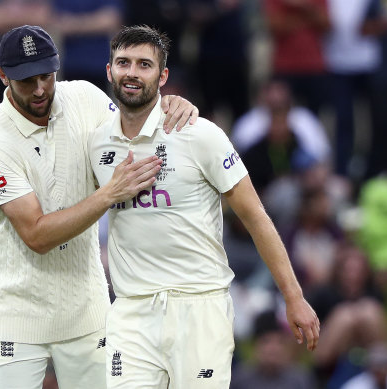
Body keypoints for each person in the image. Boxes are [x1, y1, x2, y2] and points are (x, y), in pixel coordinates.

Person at [0, 25, 198, 389]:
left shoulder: (85, 98)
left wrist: (167, 106)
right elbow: (37, 235)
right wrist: (107, 195)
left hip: (86, 308)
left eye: (46, 75)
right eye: (26, 80)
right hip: (14, 314)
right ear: (2, 76)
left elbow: (131, 138)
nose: (40, 89)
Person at [88, 25, 319, 388]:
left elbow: (256, 217)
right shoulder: (95, 141)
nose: (132, 72)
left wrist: (294, 297)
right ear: (109, 71)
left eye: (144, 65)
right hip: (131, 311)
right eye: (123, 63)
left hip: (199, 306)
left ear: (163, 76)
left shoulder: (200, 134)